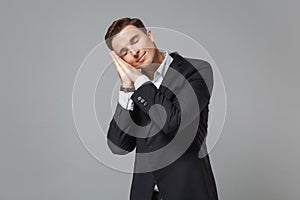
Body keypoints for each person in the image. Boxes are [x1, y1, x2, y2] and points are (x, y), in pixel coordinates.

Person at [104, 17, 218, 200]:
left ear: (149, 35)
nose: (134, 52)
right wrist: (126, 88)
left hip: (189, 191)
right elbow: (119, 146)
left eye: (135, 40)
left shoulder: (196, 70)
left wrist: (140, 82)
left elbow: (174, 123)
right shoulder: (134, 90)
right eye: (124, 52)